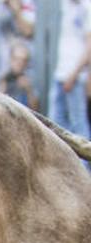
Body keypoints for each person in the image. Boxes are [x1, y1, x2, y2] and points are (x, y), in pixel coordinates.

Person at [51, 0, 91, 139]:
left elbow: (89, 47)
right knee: (56, 123)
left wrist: (74, 75)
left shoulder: (87, 7)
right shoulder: (64, 4)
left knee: (78, 124)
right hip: (60, 72)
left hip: (76, 75)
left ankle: (83, 161)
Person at [0, 41, 40, 110]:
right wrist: (1, 91)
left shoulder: (30, 80)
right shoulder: (1, 78)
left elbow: (36, 110)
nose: (20, 63)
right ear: (11, 59)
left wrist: (29, 90)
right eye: (17, 59)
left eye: (24, 60)